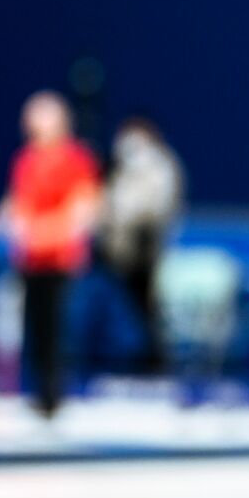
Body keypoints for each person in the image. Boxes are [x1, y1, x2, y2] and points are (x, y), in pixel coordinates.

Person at [1, 91, 101, 417]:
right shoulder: (26, 159)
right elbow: (17, 205)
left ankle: (54, 395)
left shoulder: (77, 159)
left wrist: (45, 233)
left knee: (57, 329)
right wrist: (13, 227)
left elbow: (83, 209)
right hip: (30, 260)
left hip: (60, 260)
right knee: (35, 327)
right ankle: (38, 392)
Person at [100, 116, 183, 371]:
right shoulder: (119, 170)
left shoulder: (162, 167)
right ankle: (129, 357)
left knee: (149, 311)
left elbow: (157, 207)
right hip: (118, 252)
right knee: (123, 312)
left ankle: (155, 362)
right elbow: (108, 205)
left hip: (147, 253)